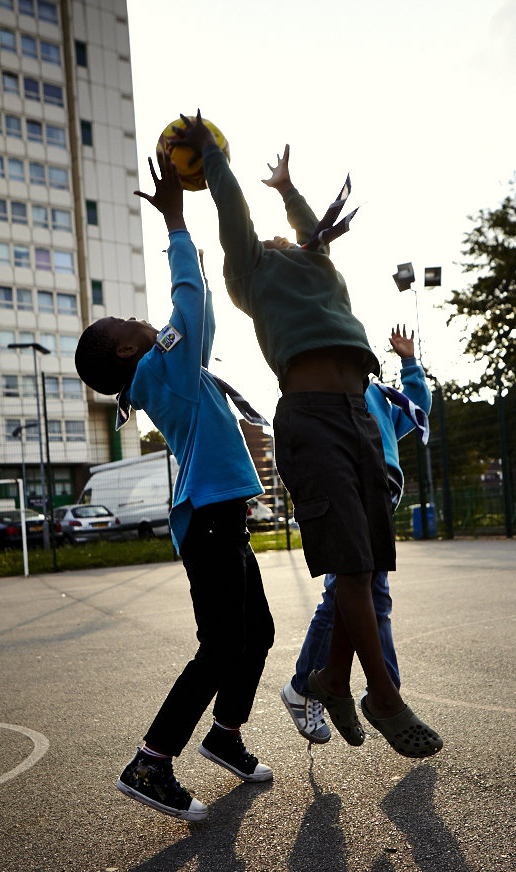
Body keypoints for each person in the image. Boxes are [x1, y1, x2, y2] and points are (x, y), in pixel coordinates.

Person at [170, 113, 441, 759]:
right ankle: (384, 697)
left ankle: (331, 679)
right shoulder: (251, 271)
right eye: (271, 234)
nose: (281, 235)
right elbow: (233, 215)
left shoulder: (317, 264)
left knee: (365, 564)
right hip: (312, 415)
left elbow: (313, 229)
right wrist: (211, 157)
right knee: (351, 565)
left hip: (359, 415)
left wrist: (288, 190)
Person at [74, 153, 274, 823]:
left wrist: (190, 248)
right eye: (127, 321)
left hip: (220, 518)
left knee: (256, 634)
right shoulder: (162, 371)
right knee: (222, 645)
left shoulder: (164, 371)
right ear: (127, 350)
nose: (140, 319)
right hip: (209, 521)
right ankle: (151, 762)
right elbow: (190, 302)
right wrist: (177, 225)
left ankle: (225, 736)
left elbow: (197, 315)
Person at [281, 325, 430, 744]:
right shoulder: (326, 389)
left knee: (366, 597)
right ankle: (321, 687)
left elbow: (417, 408)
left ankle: (374, 690)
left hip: (379, 495)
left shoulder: (377, 394)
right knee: (348, 595)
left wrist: (409, 362)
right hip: (345, 492)